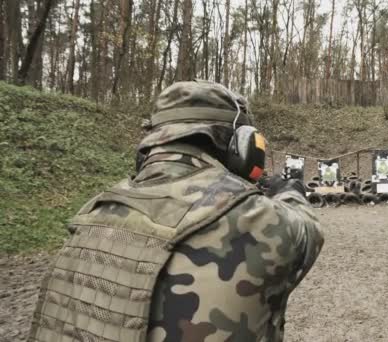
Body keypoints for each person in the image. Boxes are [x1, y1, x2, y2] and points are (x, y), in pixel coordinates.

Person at [27, 80, 324, 342]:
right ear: (241, 146)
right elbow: (309, 231)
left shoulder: (90, 214)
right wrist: (288, 191)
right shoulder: (259, 219)